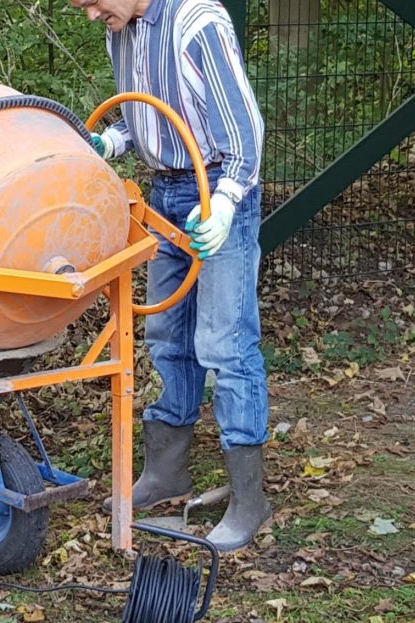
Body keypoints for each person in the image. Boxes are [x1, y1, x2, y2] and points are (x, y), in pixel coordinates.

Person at [73, 0, 271, 551]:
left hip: (218, 191)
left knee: (225, 345)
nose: (91, 15)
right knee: (165, 337)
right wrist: (112, 141)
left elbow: (245, 132)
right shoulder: (124, 30)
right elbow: (154, 118)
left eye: (92, 1)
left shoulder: (198, 22)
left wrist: (227, 203)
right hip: (165, 195)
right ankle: (167, 472)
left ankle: (250, 499)